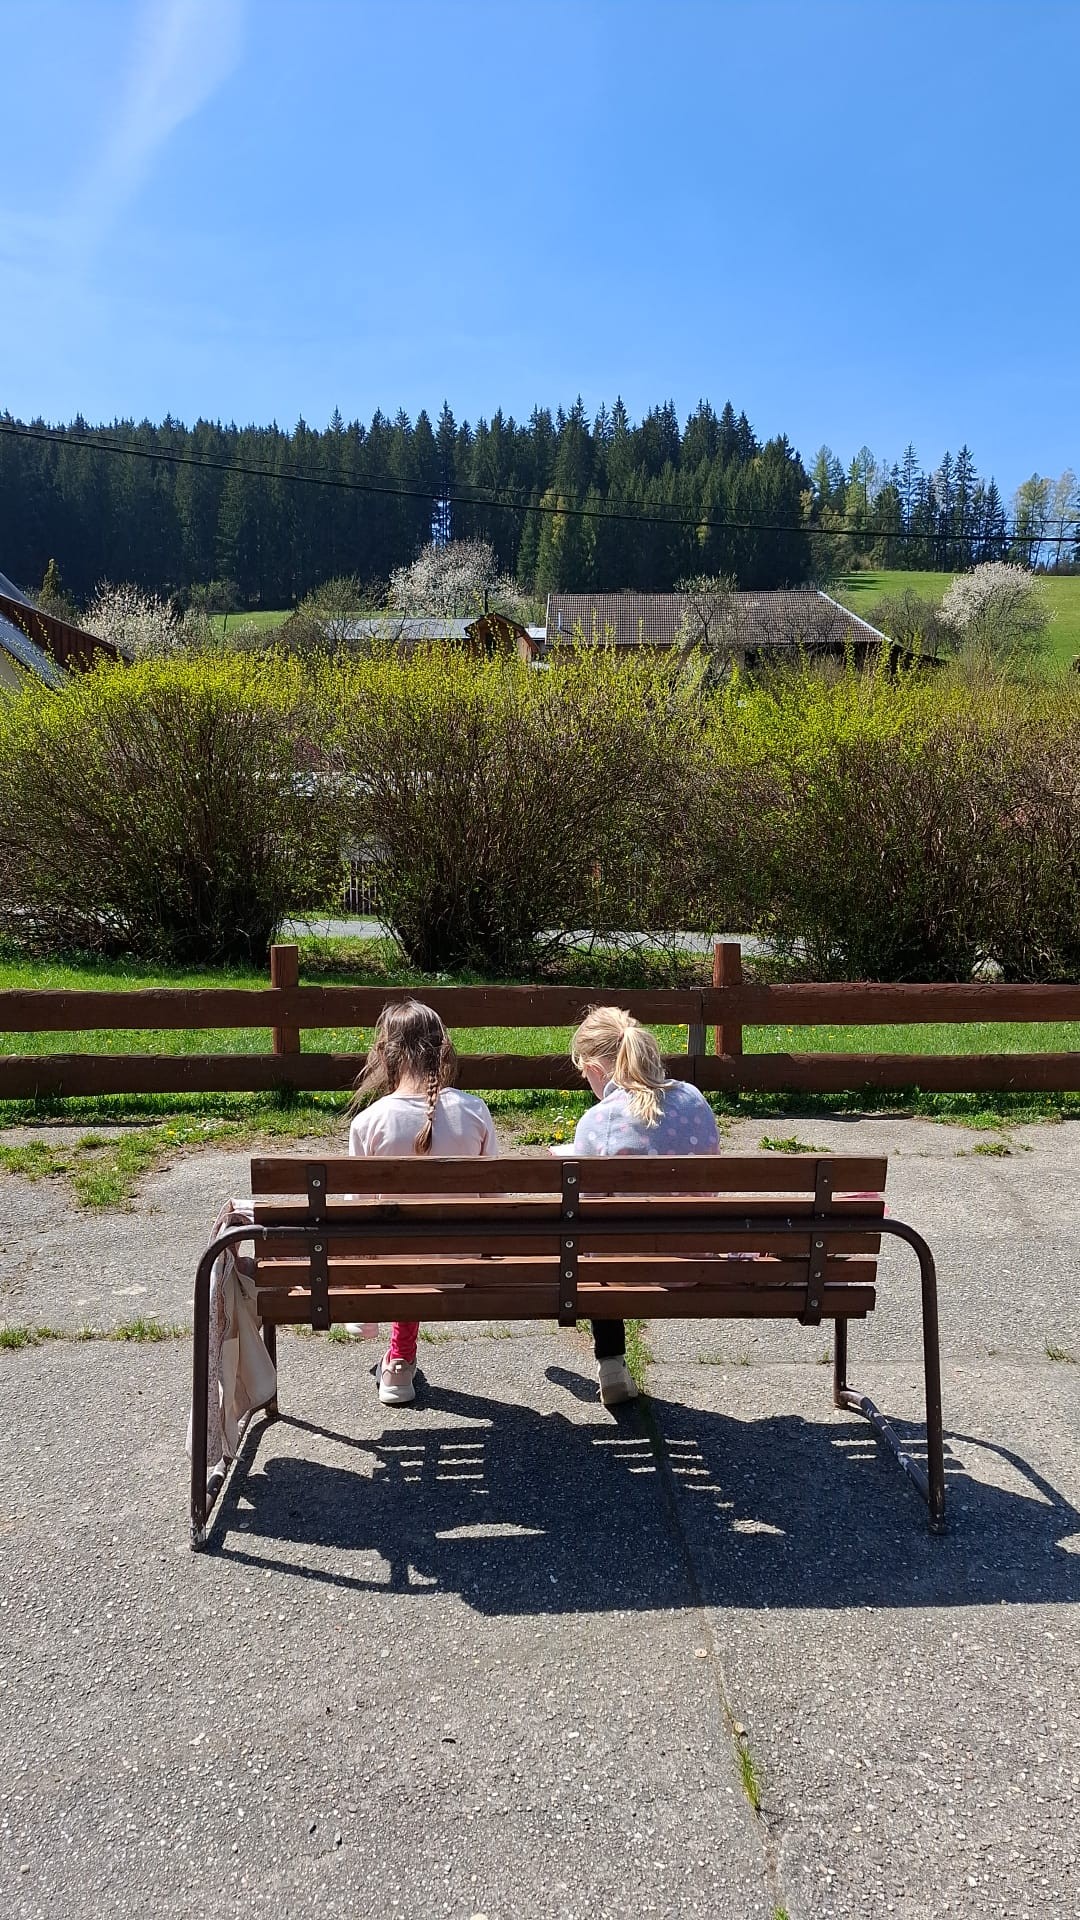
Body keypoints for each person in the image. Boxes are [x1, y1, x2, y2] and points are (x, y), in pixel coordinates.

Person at [565, 1005, 720, 1407]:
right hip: (696, 1258)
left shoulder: (598, 1120)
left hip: (624, 1269)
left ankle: (611, 1362)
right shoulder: (693, 1099)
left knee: (593, 1241)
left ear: (595, 1070)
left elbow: (585, 1210)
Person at [348, 999, 498, 1405]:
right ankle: (398, 1357)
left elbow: (354, 1213)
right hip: (462, 1266)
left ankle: (380, 1330)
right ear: (443, 1049)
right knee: (417, 1243)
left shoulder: (369, 1122)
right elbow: (495, 1203)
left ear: (385, 1052)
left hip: (394, 1271)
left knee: (390, 1239)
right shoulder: (474, 1111)